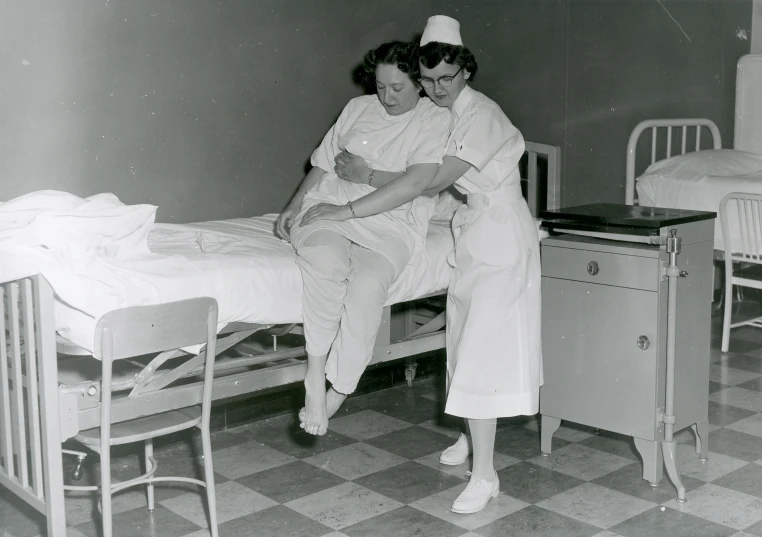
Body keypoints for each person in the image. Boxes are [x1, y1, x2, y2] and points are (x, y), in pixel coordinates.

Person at [301, 16, 542, 514]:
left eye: (445, 80)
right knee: (459, 344)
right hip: (471, 231)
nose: (435, 90)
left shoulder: (484, 115)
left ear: (465, 71)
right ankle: (472, 440)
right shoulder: (447, 112)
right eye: (428, 81)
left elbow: (432, 181)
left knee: (482, 353)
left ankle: (486, 474)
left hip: (501, 237)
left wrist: (367, 174)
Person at [276, 40, 450, 437]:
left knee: (368, 286)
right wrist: (295, 204)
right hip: (329, 205)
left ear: (420, 85)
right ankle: (315, 375)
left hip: (393, 221)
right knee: (327, 264)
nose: (386, 97)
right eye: (380, 86)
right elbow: (322, 165)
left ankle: (340, 388)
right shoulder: (358, 109)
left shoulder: (434, 120)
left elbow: (416, 184)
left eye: (397, 88)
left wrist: (360, 184)